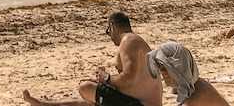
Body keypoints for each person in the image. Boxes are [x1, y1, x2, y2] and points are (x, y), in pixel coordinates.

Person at [22, 12, 161, 106]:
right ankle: (45, 104)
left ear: (112, 28)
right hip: (138, 100)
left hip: (142, 104)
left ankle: (44, 104)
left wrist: (107, 78)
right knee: (90, 97)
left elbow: (130, 78)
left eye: (108, 32)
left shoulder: (129, 41)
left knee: (85, 88)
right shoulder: (134, 41)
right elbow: (132, 81)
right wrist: (105, 82)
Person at [145, 41, 229, 105]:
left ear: (180, 69)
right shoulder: (197, 84)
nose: (162, 72)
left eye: (166, 68)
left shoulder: (191, 99)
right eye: (159, 67)